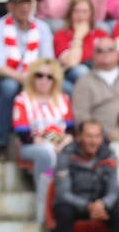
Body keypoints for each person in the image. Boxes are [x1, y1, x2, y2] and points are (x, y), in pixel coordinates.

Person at [0, 0, 55, 159]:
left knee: (63, 88)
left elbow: (48, 61)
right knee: (9, 88)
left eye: (27, 3)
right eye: (19, 4)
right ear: (10, 6)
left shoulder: (42, 27)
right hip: (8, 77)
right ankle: (1, 143)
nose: (24, 8)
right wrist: (24, 78)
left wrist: (35, 78)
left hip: (37, 76)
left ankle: (55, 139)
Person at [51, 120, 119, 232]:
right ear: (80, 137)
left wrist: (102, 204)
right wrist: (87, 206)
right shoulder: (66, 155)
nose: (93, 141)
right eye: (89, 136)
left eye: (97, 136)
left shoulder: (109, 155)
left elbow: (114, 189)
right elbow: (63, 193)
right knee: (63, 211)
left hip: (100, 204)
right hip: (75, 204)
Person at [11, 59, 74, 221]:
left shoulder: (63, 99)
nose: (44, 80)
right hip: (32, 147)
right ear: (32, 77)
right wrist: (52, 141)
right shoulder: (22, 99)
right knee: (46, 152)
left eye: (49, 77)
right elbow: (24, 133)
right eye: (39, 76)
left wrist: (60, 141)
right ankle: (44, 202)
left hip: (61, 145)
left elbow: (71, 129)